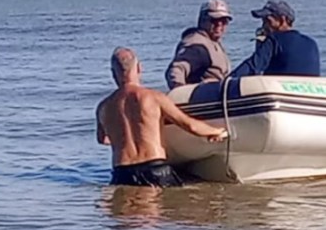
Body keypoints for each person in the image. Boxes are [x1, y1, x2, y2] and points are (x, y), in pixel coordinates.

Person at [97, 47, 228, 186]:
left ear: (113, 73)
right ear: (139, 68)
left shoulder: (104, 107)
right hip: (154, 168)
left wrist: (122, 137)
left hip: (121, 173)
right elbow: (189, 125)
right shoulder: (154, 98)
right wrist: (216, 131)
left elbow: (103, 139)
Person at [229, 0, 320, 78]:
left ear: (283, 20)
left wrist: (228, 81)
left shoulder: (273, 41)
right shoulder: (312, 44)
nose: (264, 26)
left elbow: (253, 66)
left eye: (268, 21)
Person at [165, 0, 233, 89]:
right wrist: (180, 90)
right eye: (214, 20)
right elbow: (177, 69)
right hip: (206, 95)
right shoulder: (198, 46)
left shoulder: (212, 42)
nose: (219, 25)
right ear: (202, 20)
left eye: (224, 21)